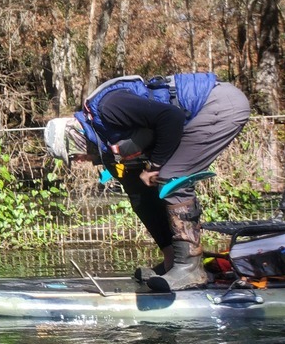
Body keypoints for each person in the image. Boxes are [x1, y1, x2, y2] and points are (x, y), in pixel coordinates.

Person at [44, 73, 250, 291]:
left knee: (172, 177)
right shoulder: (102, 140)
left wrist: (155, 166)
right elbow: (138, 188)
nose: (78, 162)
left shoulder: (109, 107)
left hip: (218, 104)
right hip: (195, 114)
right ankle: (173, 261)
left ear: (74, 137)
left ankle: (190, 269)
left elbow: (171, 118)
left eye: (73, 155)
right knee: (136, 186)